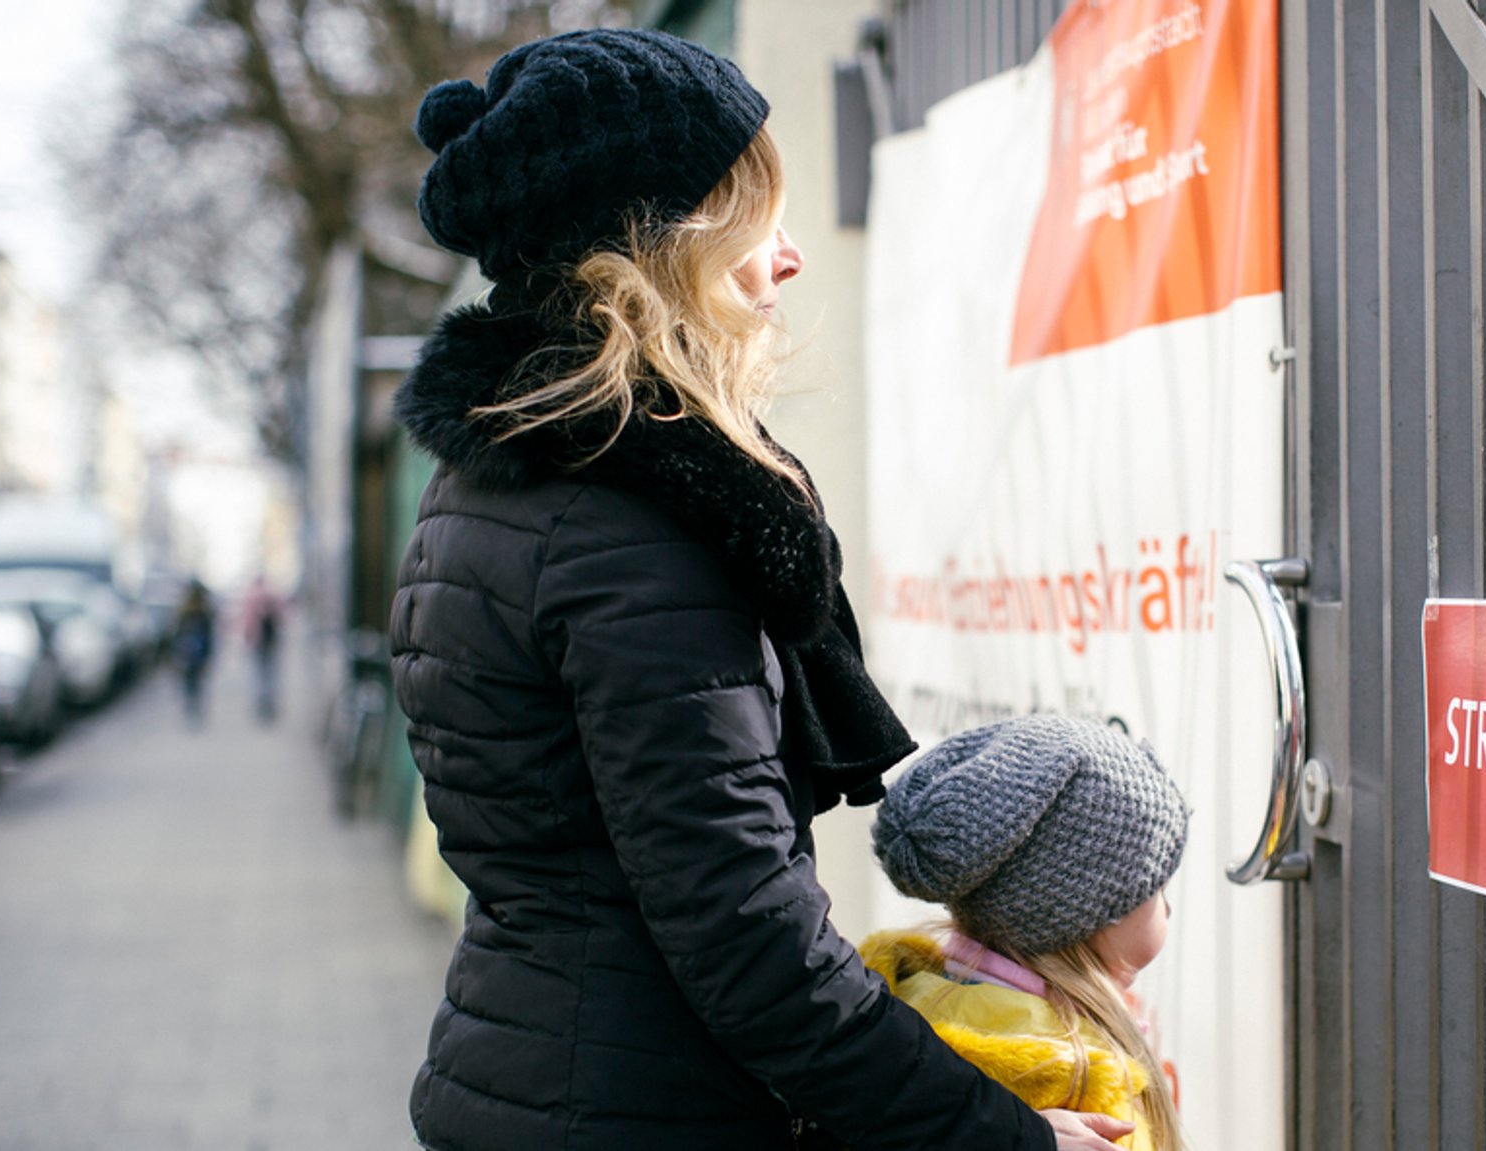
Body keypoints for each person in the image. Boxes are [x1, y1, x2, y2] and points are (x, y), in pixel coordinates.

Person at [390, 29, 1130, 1151]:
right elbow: (744, 939)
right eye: (753, 215)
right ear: (651, 241)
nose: (785, 256)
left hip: (544, 1077)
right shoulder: (631, 527)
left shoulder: (501, 476)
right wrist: (996, 1135)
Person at [863, 714, 1192, 1151]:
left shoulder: (900, 1013)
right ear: (1090, 911)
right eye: (1157, 886)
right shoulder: (1080, 1084)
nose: (1167, 905)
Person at [237, 575, 282, 722]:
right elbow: (282, 617)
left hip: (257, 640)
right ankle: (270, 702)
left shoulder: (250, 595)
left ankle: (261, 702)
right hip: (271, 640)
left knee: (258, 672)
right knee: (271, 672)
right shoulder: (273, 594)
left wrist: (248, 638)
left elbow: (246, 620)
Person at [172, 578, 215, 726]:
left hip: (186, 652)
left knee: (188, 682)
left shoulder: (183, 610)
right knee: (198, 682)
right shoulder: (205, 611)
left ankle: (190, 709)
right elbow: (209, 636)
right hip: (200, 653)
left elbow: (176, 633)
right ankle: (196, 709)